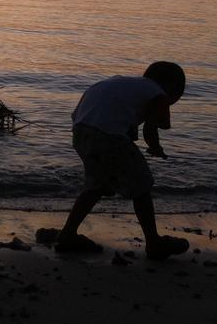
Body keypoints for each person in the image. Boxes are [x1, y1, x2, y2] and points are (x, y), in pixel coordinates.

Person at [53, 62, 190, 260]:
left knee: (96, 186)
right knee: (141, 185)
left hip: (81, 131)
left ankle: (68, 234)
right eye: (178, 97)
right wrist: (156, 148)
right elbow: (151, 129)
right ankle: (153, 242)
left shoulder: (127, 85)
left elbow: (126, 123)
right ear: (172, 88)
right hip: (107, 135)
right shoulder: (157, 93)